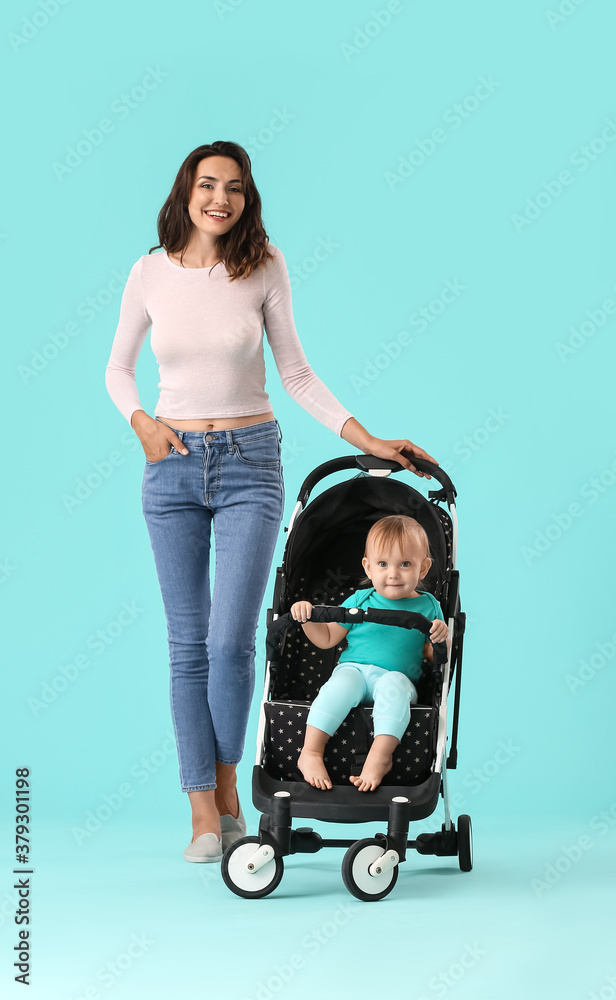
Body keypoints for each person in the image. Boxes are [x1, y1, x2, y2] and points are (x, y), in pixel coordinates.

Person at [105, 140, 441, 862]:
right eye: (207, 185)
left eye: (233, 188)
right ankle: (205, 810)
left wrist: (370, 438)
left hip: (250, 463)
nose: (219, 199)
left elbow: (296, 373)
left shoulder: (264, 265)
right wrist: (140, 421)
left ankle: (230, 787)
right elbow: (116, 368)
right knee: (184, 646)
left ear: (246, 197)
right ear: (185, 192)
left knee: (230, 642)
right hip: (171, 467)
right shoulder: (149, 272)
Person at [291, 515, 451, 792]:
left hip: (397, 676)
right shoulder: (360, 600)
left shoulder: (428, 606)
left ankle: (380, 757)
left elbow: (431, 655)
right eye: (383, 564)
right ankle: (312, 751)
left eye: (405, 564)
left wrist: (440, 638)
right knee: (339, 686)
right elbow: (328, 638)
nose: (393, 574)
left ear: (423, 568)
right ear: (368, 567)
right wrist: (307, 619)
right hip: (354, 669)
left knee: (394, 688)